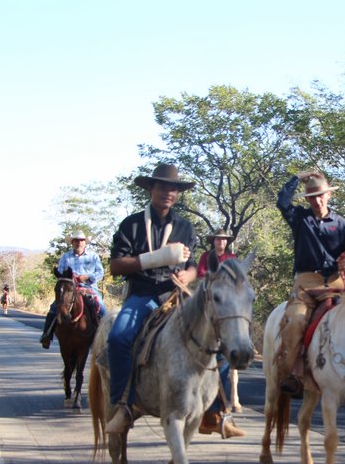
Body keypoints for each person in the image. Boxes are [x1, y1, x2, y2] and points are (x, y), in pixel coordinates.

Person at [105, 163, 199, 435]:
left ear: (177, 194)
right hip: (144, 294)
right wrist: (155, 259)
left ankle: (217, 409)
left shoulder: (185, 227)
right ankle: (122, 405)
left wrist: (189, 276)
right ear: (151, 189)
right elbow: (116, 266)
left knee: (219, 335)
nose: (167, 192)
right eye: (162, 187)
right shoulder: (132, 224)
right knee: (118, 338)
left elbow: (193, 265)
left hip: (175, 294)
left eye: (173, 188)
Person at [274, 170, 345, 395]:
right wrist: (296, 178)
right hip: (306, 282)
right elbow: (282, 202)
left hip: (336, 282)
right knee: (295, 322)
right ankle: (292, 372)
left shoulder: (342, 224)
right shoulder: (300, 218)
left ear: (329, 195)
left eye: (321, 195)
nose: (317, 200)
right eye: (312, 197)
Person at [195, 228, 246, 438]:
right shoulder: (206, 257)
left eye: (224, 240)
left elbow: (239, 281)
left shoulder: (232, 258)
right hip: (209, 299)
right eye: (218, 239)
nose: (221, 243)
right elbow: (201, 277)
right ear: (213, 241)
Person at [40, 231, 106, 349]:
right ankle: (47, 335)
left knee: (102, 308)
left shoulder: (93, 256)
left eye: (81, 240)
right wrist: (69, 278)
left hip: (89, 288)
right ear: (72, 243)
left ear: (85, 242)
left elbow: (100, 272)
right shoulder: (66, 257)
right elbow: (60, 273)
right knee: (54, 307)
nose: (79, 243)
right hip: (70, 288)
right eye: (76, 240)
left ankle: (106, 340)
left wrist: (87, 277)